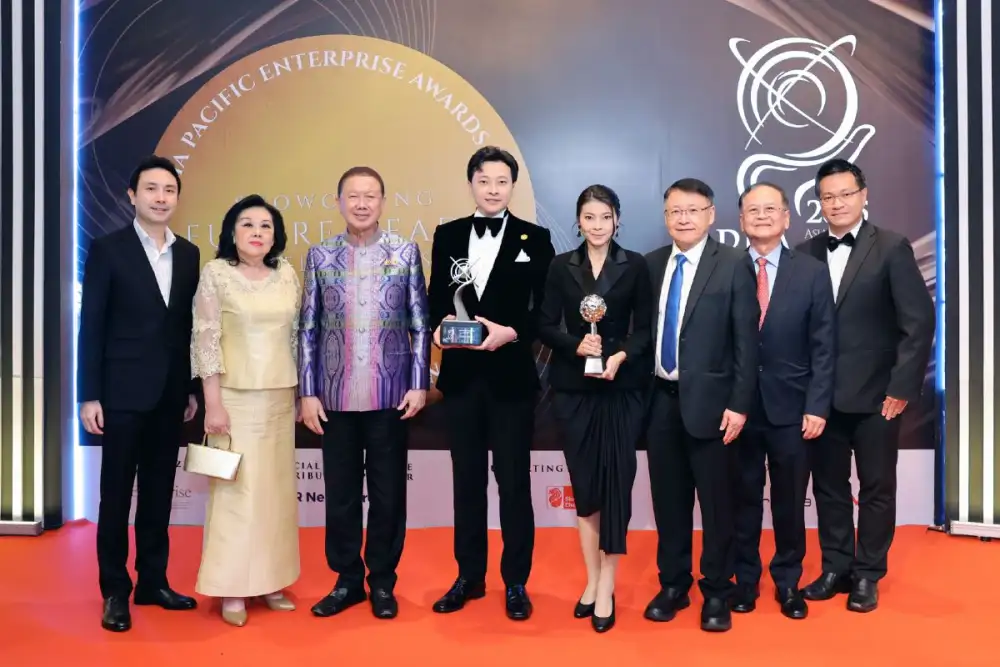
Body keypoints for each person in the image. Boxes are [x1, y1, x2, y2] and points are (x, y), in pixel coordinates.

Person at [796, 159, 934, 612]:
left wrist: (901, 387)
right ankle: (835, 567)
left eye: (846, 194)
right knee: (829, 488)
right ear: (819, 202)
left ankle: (868, 574)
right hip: (821, 399)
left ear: (863, 195)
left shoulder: (891, 247)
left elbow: (918, 322)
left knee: (876, 488)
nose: (837, 203)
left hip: (879, 398)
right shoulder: (805, 252)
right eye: (828, 196)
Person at [427, 146, 555, 620]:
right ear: (471, 184)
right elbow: (436, 297)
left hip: (511, 381)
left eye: (502, 181)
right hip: (461, 380)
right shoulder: (448, 234)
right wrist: (439, 327)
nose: (493, 190)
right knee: (467, 481)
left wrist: (512, 332)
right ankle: (469, 576)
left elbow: (545, 310)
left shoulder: (535, 238)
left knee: (514, 483)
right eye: (484, 181)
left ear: (512, 186)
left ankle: (516, 581)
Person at [299, 166, 430, 620]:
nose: (361, 204)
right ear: (339, 202)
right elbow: (308, 328)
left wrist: (418, 383)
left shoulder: (405, 252)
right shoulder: (319, 256)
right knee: (340, 493)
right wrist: (308, 391)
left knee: (388, 493)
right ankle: (347, 580)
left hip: (390, 396)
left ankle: (383, 582)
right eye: (353, 196)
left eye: (370, 196)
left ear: (383, 202)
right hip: (333, 399)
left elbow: (419, 323)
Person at [77, 155, 200, 632]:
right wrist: (89, 395)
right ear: (132, 195)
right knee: (115, 496)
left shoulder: (188, 254)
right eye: (151, 189)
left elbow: (188, 328)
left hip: (170, 394)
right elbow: (92, 326)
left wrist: (190, 388)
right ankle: (114, 590)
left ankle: (153, 580)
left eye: (169, 190)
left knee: (158, 493)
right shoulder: (108, 249)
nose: (160, 198)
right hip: (121, 394)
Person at [643, 178, 758, 633]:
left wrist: (739, 404)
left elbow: (747, 341)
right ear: (665, 217)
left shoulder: (732, 263)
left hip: (715, 408)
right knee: (669, 504)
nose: (684, 218)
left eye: (693, 210)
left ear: (711, 215)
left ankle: (716, 590)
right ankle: (673, 584)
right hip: (660, 403)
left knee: (716, 505)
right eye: (675, 211)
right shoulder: (652, 264)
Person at [537, 185, 652, 633]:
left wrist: (620, 355)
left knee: (615, 486)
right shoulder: (560, 266)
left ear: (617, 220)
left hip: (621, 391)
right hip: (574, 391)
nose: (598, 225)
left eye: (605, 217)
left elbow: (646, 329)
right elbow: (544, 324)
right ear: (578, 221)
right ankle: (590, 579)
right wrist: (574, 344)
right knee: (585, 489)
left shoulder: (635, 265)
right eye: (589, 217)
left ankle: (607, 585)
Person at [191, 194, 302, 627]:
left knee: (274, 494)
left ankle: (271, 581)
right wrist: (213, 403)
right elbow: (205, 340)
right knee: (236, 495)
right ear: (231, 232)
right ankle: (233, 587)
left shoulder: (287, 274)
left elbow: (296, 337)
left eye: (265, 226)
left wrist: (301, 395)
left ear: (275, 235)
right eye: (247, 224)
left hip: (279, 397)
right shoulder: (216, 274)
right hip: (233, 399)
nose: (257, 232)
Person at [730, 182, 835, 620]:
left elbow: (824, 345)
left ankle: (788, 581)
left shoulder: (811, 271)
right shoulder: (727, 269)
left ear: (787, 217)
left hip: (793, 409)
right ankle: (745, 580)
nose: (762, 216)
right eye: (752, 210)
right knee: (742, 498)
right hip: (737, 408)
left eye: (770, 209)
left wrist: (817, 405)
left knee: (790, 501)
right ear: (740, 220)